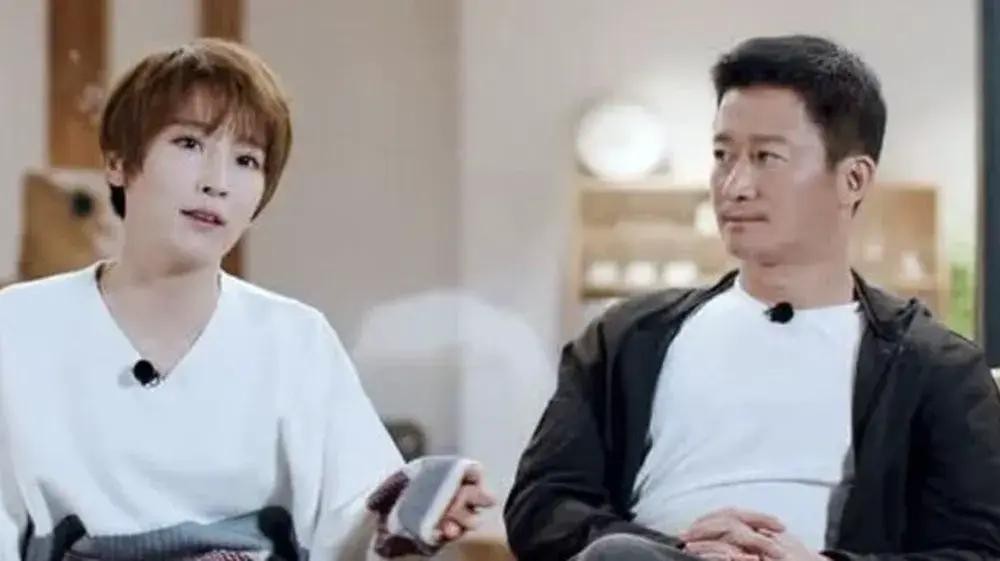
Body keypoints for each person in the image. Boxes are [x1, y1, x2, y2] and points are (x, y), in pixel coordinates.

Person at [504, 35, 1000, 561]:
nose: (735, 185)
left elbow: (977, 550)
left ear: (853, 179)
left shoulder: (935, 367)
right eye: (723, 156)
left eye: (767, 157)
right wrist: (683, 550)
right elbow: (541, 506)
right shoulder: (626, 338)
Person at [0, 38, 493, 560]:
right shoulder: (19, 325)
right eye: (189, 144)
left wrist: (419, 506)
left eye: (246, 160)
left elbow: (354, 516)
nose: (217, 182)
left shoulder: (295, 338)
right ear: (119, 162)